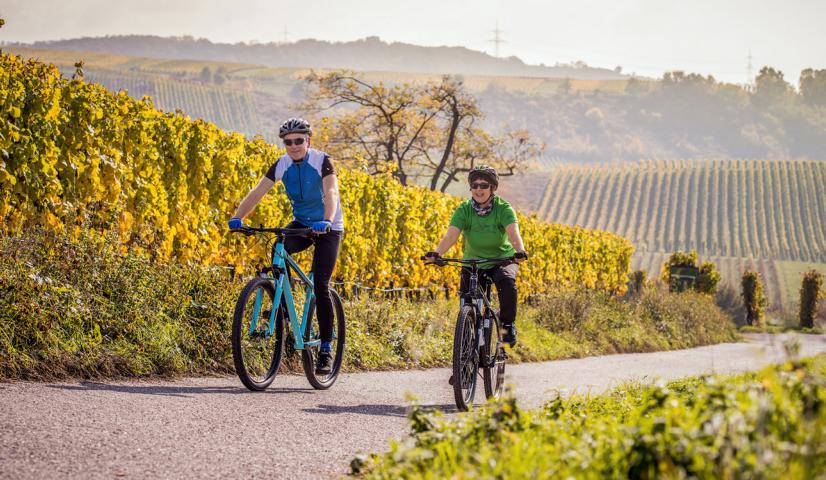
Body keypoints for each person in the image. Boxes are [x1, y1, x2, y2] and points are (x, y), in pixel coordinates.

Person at [228, 118, 344, 374]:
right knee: (278, 248)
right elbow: (258, 191)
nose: (293, 146)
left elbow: (332, 192)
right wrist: (238, 217)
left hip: (328, 227)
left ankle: (326, 348)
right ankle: (283, 307)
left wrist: (326, 220)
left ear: (308, 141)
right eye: (288, 142)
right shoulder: (282, 164)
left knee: (321, 285)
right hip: (302, 223)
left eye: (298, 141)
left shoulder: (322, 161)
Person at [425, 165, 527, 347]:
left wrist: (520, 251)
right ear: (471, 188)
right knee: (466, 299)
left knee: (507, 284)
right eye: (475, 185)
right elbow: (451, 236)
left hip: (501, 259)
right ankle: (465, 349)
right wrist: (437, 254)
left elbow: (513, 234)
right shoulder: (464, 210)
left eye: (484, 185)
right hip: (473, 261)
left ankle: (506, 326)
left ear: (492, 188)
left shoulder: (503, 209)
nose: (479, 189)